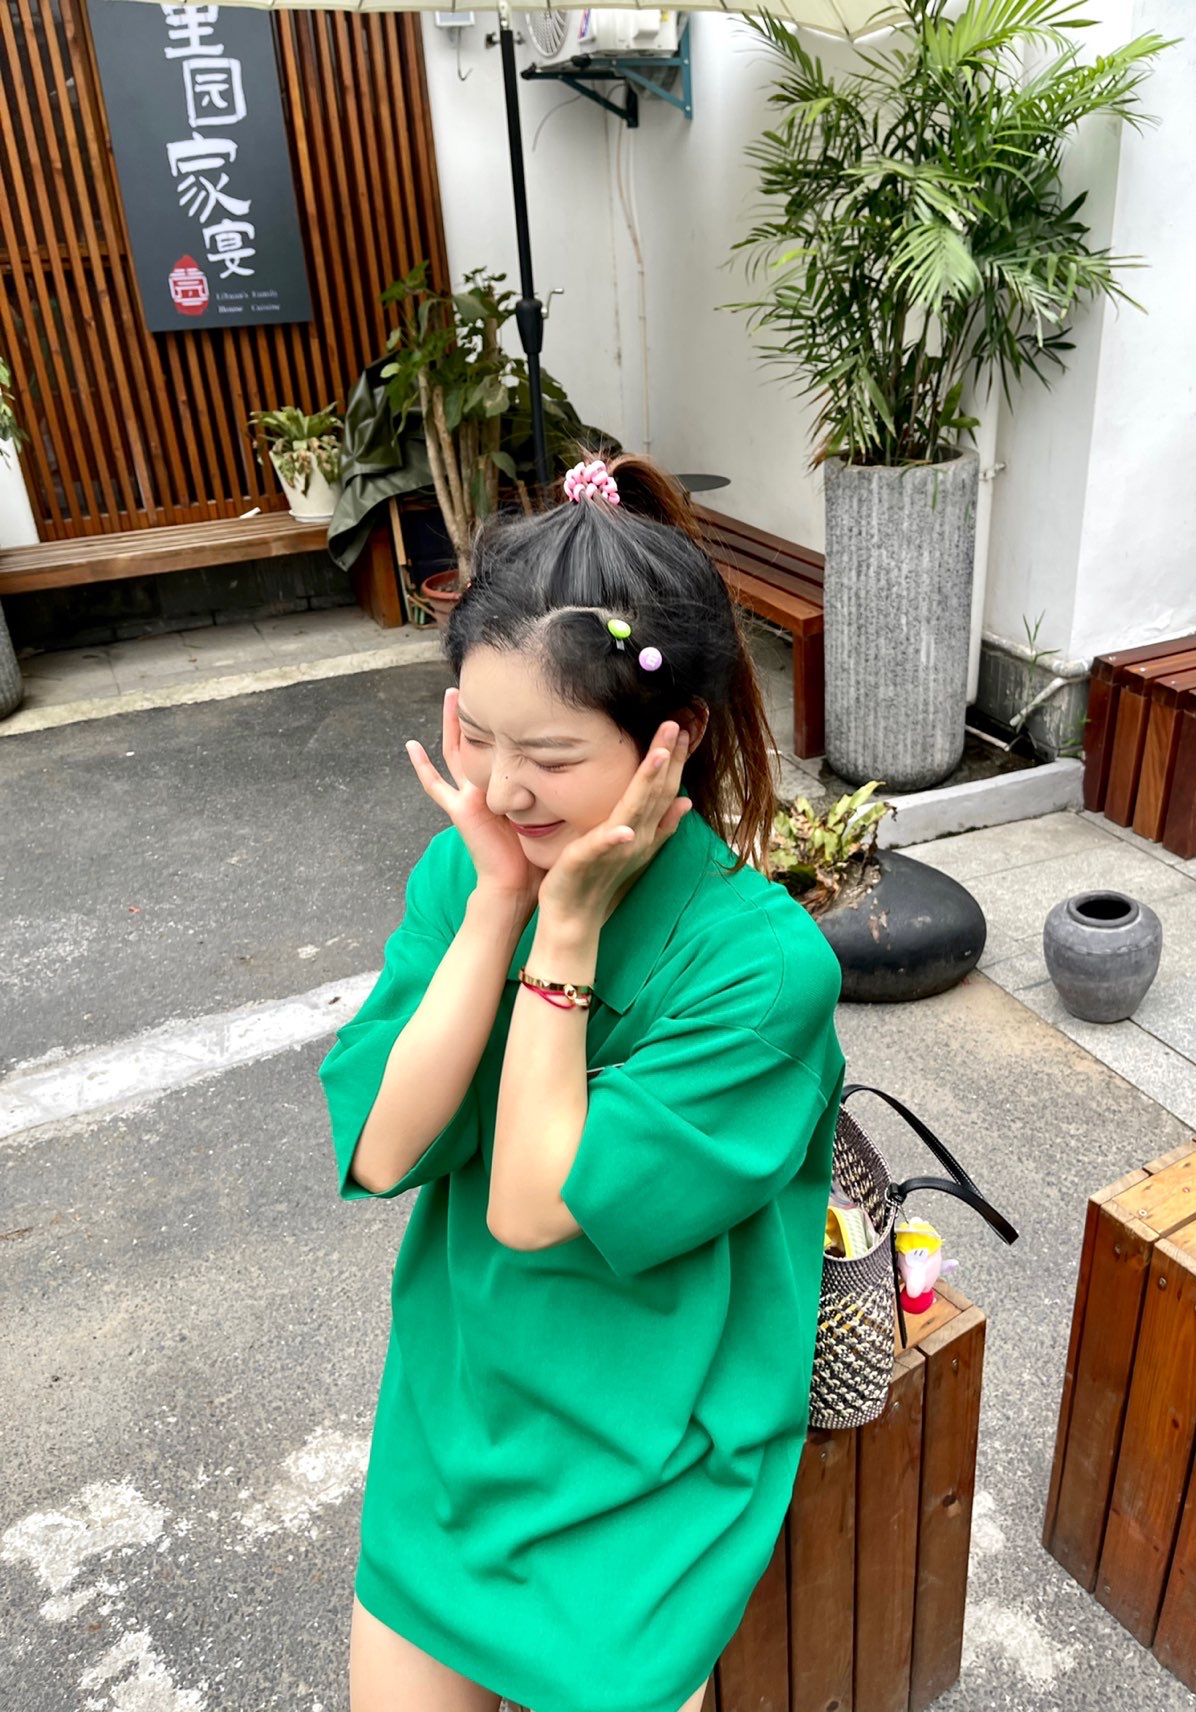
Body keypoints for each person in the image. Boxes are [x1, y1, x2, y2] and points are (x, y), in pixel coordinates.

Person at [318, 452, 847, 1712]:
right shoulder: (473, 869)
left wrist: (560, 937)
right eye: (480, 735)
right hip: (460, 1413)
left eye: (550, 753)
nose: (502, 789)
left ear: (678, 738)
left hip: (648, 1454)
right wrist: (498, 900)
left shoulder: (761, 969)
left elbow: (529, 1205)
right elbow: (383, 1148)